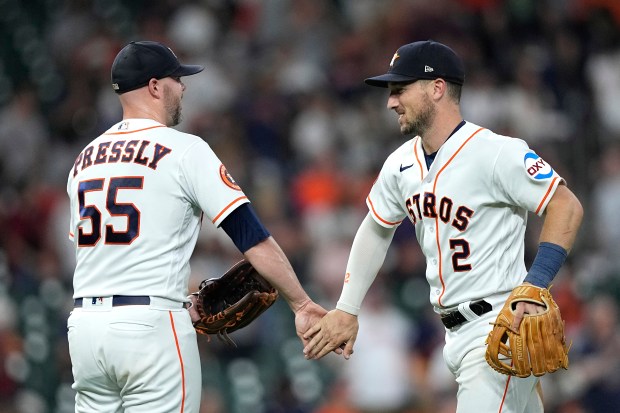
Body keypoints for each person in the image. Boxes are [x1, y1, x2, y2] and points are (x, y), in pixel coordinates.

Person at [302, 40, 583, 412]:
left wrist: (535, 285)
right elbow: (375, 228)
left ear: (436, 88)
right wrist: (347, 307)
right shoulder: (400, 164)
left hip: (499, 328)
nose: (391, 101)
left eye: (400, 89)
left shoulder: (495, 151)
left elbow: (566, 204)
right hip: (452, 336)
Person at [66, 40, 328, 412]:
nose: (184, 87)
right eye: (177, 79)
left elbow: (93, 250)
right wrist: (301, 303)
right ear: (155, 86)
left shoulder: (84, 159)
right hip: (151, 330)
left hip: (86, 330)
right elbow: (251, 236)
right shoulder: (184, 149)